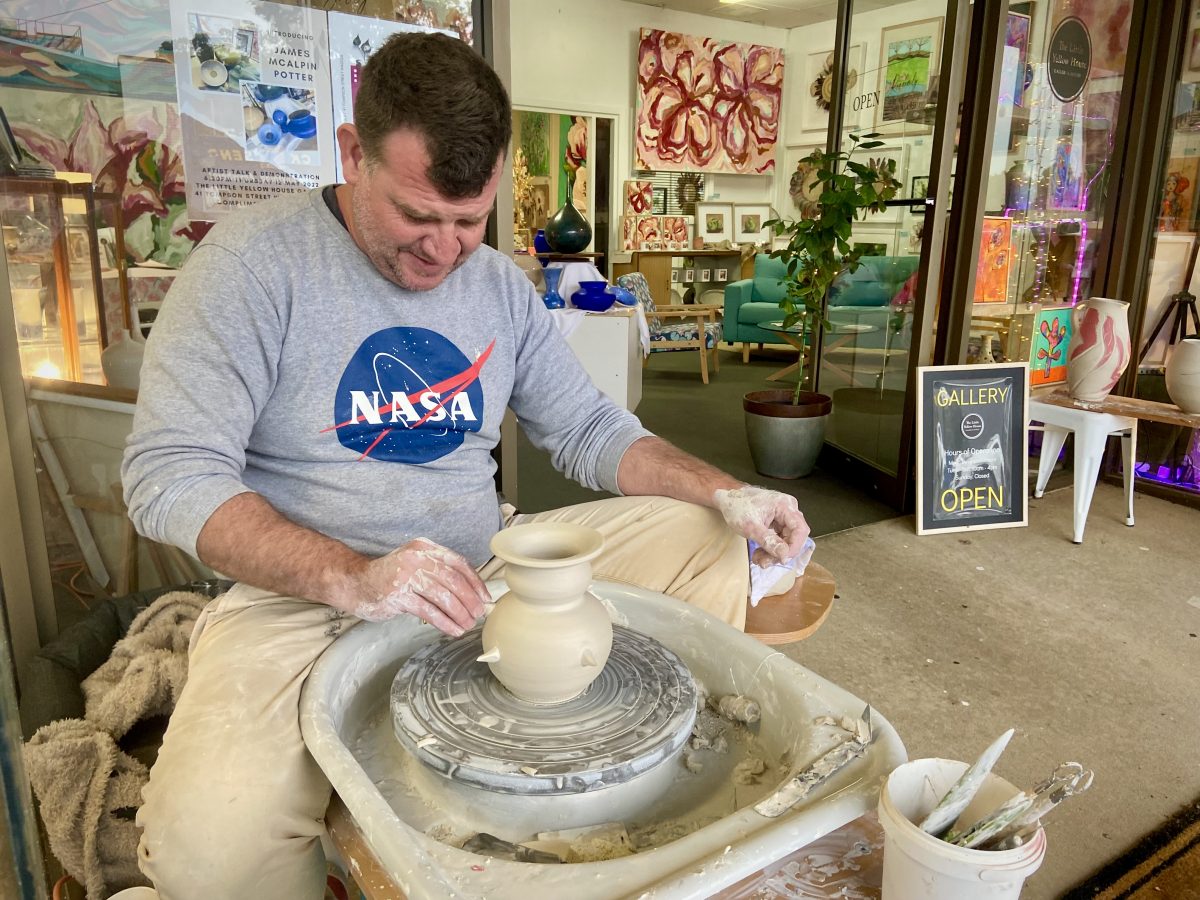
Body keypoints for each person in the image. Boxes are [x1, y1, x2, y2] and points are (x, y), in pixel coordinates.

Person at [121, 32, 809, 900]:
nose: (446, 252)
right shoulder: (250, 267)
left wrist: (729, 491)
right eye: (418, 217)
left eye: (469, 220)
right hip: (304, 599)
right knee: (208, 858)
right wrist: (353, 577)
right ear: (349, 154)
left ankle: (627, 772)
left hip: (486, 572)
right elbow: (170, 475)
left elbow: (591, 429)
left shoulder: (497, 285)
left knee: (707, 533)